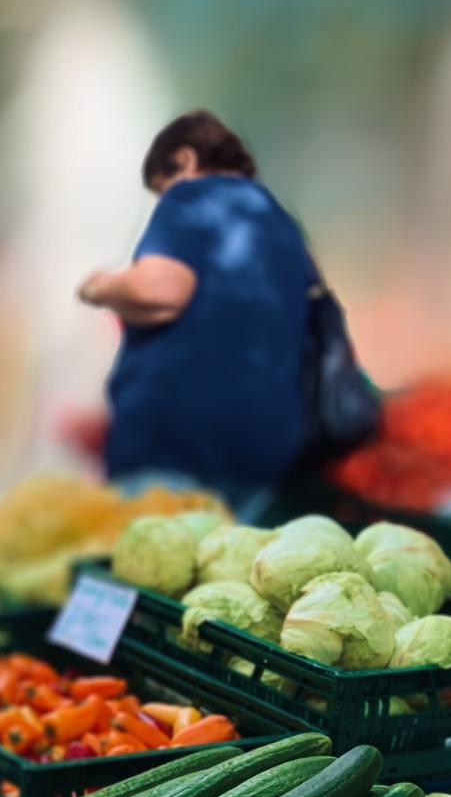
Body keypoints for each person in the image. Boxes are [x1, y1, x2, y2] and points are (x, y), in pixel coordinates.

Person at [78, 110, 319, 509]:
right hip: (263, 453)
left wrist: (98, 287)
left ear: (186, 160)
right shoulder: (280, 222)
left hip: (177, 450)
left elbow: (158, 293)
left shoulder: (193, 195)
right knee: (227, 568)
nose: (163, 200)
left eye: (161, 188)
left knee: (154, 565)